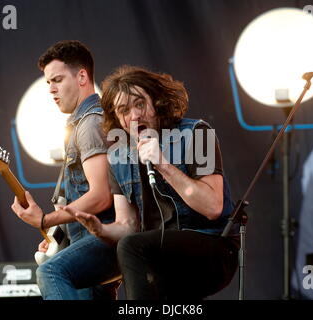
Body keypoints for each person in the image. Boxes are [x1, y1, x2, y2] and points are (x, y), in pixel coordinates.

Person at [64, 65, 240, 299]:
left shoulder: (196, 133)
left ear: (157, 103)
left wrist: (162, 164)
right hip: (162, 252)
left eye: (140, 104)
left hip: (212, 245)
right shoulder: (118, 155)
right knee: (128, 246)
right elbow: (127, 225)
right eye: (124, 110)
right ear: (117, 118)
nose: (134, 115)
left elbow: (212, 207)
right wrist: (101, 230)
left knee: (132, 247)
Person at [11, 40, 120, 300]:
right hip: (83, 239)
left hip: (101, 237)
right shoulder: (79, 124)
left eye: (57, 80)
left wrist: (46, 220)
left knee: (50, 272)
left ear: (82, 76)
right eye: (48, 82)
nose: (51, 89)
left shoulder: (91, 123)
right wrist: (59, 239)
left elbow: (101, 196)